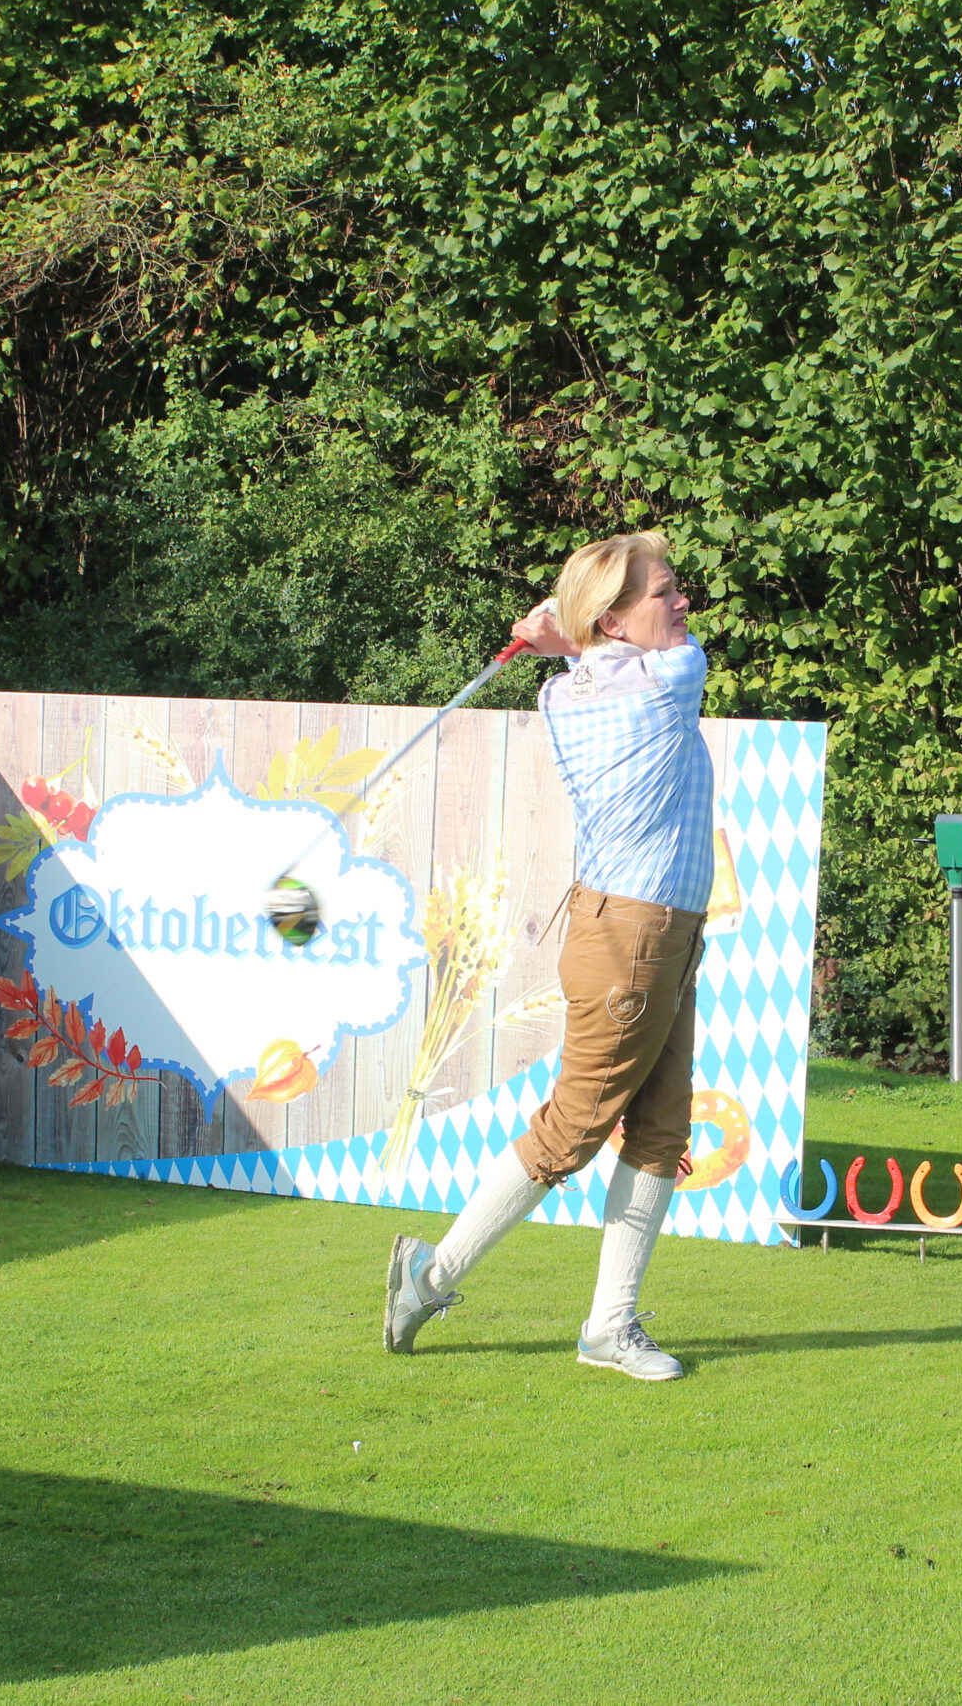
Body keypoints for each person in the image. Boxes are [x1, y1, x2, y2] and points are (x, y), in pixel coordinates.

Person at [384, 531, 711, 1380]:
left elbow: (593, 659)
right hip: (634, 941)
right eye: (665, 592)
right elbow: (662, 659)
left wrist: (565, 639)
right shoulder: (669, 681)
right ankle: (429, 1276)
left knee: (661, 1128)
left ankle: (610, 1325)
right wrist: (567, 635)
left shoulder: (563, 692)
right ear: (615, 620)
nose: (683, 603)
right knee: (572, 1128)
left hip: (657, 932)